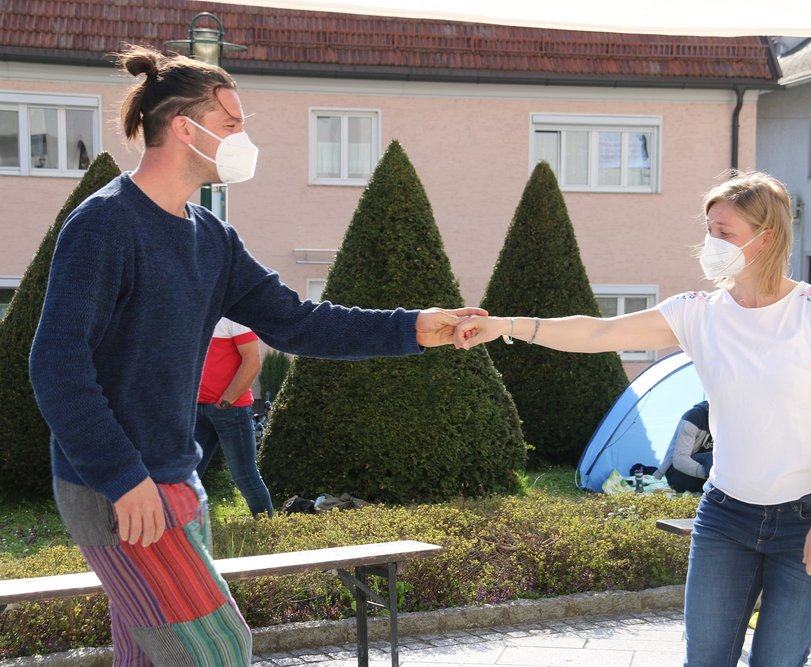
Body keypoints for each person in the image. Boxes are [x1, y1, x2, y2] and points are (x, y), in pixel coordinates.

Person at [28, 44, 483, 666]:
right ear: (185, 129)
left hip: (177, 483)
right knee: (219, 650)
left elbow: (298, 322)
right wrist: (123, 478)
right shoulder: (104, 224)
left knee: (150, 658)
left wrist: (413, 328)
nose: (243, 139)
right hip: (119, 492)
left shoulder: (211, 238)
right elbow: (56, 365)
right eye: (232, 124)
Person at [455, 171, 811, 667]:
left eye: (725, 232)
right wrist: (504, 326)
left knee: (776, 661)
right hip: (727, 515)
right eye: (710, 230)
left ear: (767, 237)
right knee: (704, 660)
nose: (712, 243)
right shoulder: (699, 313)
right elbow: (598, 333)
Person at [195, 317, 273, 518]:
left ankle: (268, 530)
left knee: (245, 476)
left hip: (231, 410)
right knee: (185, 477)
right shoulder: (193, 312)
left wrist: (226, 401)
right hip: (195, 409)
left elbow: (252, 361)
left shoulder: (234, 315)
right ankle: (184, 532)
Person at [653, 399, 713, 493]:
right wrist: (710, 475)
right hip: (679, 474)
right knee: (714, 457)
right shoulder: (694, 417)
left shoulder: (729, 421)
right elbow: (679, 460)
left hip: (705, 474)